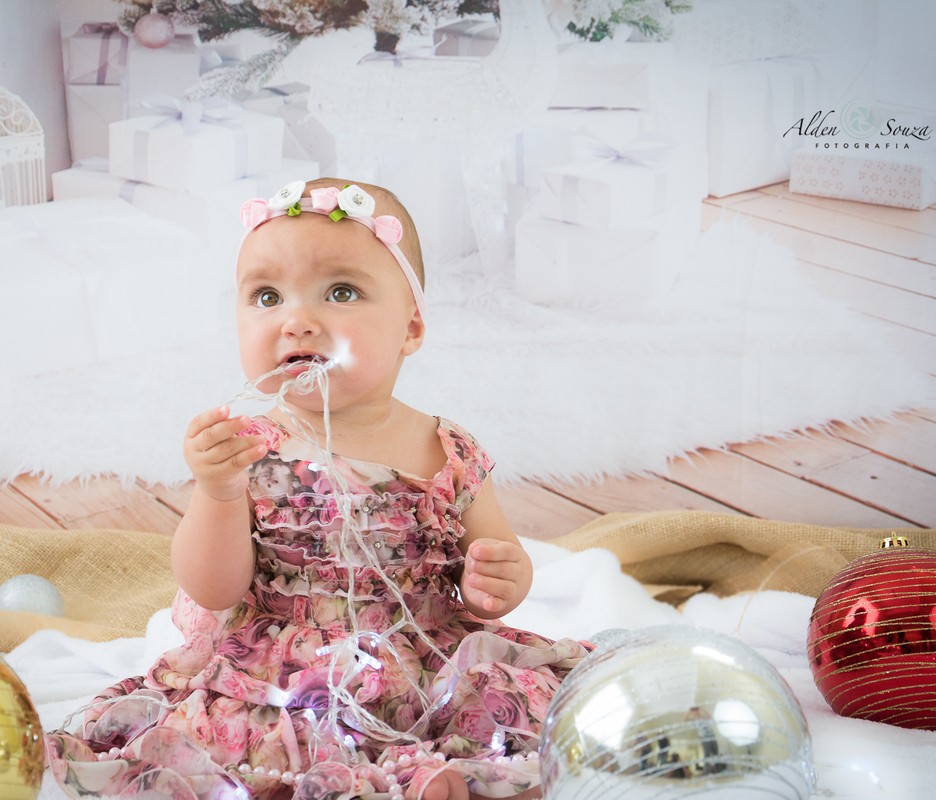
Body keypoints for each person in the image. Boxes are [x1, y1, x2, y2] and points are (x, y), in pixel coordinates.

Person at [45, 178, 592, 800]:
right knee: (280, 736)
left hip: (423, 655)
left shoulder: (447, 449)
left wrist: (498, 579)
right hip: (289, 667)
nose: (297, 321)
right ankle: (370, 780)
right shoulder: (250, 450)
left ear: (410, 328)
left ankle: (438, 770)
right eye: (267, 297)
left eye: (340, 292)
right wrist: (217, 493)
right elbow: (213, 588)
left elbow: (497, 568)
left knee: (508, 712)